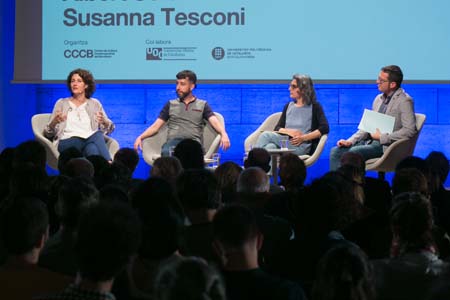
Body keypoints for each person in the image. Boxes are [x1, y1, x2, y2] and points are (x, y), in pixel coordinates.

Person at [330, 65, 417, 170]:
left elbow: (410, 130)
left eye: (381, 80)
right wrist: (350, 141)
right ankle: (337, 184)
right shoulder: (378, 99)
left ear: (392, 84)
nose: (377, 82)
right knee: (336, 151)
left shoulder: (404, 101)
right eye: (378, 79)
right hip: (368, 142)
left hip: (386, 147)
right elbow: (367, 127)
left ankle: (351, 184)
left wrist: (383, 137)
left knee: (353, 154)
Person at [133, 70, 230, 156]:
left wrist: (224, 134)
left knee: (192, 154)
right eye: (177, 84)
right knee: (168, 152)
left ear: (191, 86)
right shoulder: (170, 104)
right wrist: (140, 137)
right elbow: (155, 126)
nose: (178, 87)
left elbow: (214, 121)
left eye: (182, 84)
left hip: (193, 142)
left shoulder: (202, 104)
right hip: (173, 142)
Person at [44, 68, 115, 161]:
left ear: (86, 85)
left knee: (92, 149)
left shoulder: (94, 104)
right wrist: (54, 122)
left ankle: (96, 173)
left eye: (79, 81)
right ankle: (109, 163)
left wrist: (104, 121)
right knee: (96, 136)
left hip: (89, 141)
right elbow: (47, 133)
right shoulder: (61, 103)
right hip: (66, 143)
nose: (74, 84)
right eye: (72, 81)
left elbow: (110, 129)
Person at [255, 74, 329, 156]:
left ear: (304, 89)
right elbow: (278, 128)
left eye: (293, 86)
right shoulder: (288, 106)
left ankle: (252, 162)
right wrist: (290, 131)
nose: (289, 89)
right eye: (290, 86)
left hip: (299, 146)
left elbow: (324, 128)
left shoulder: (315, 107)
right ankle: (262, 168)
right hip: (284, 143)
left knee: (265, 135)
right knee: (270, 147)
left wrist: (303, 138)